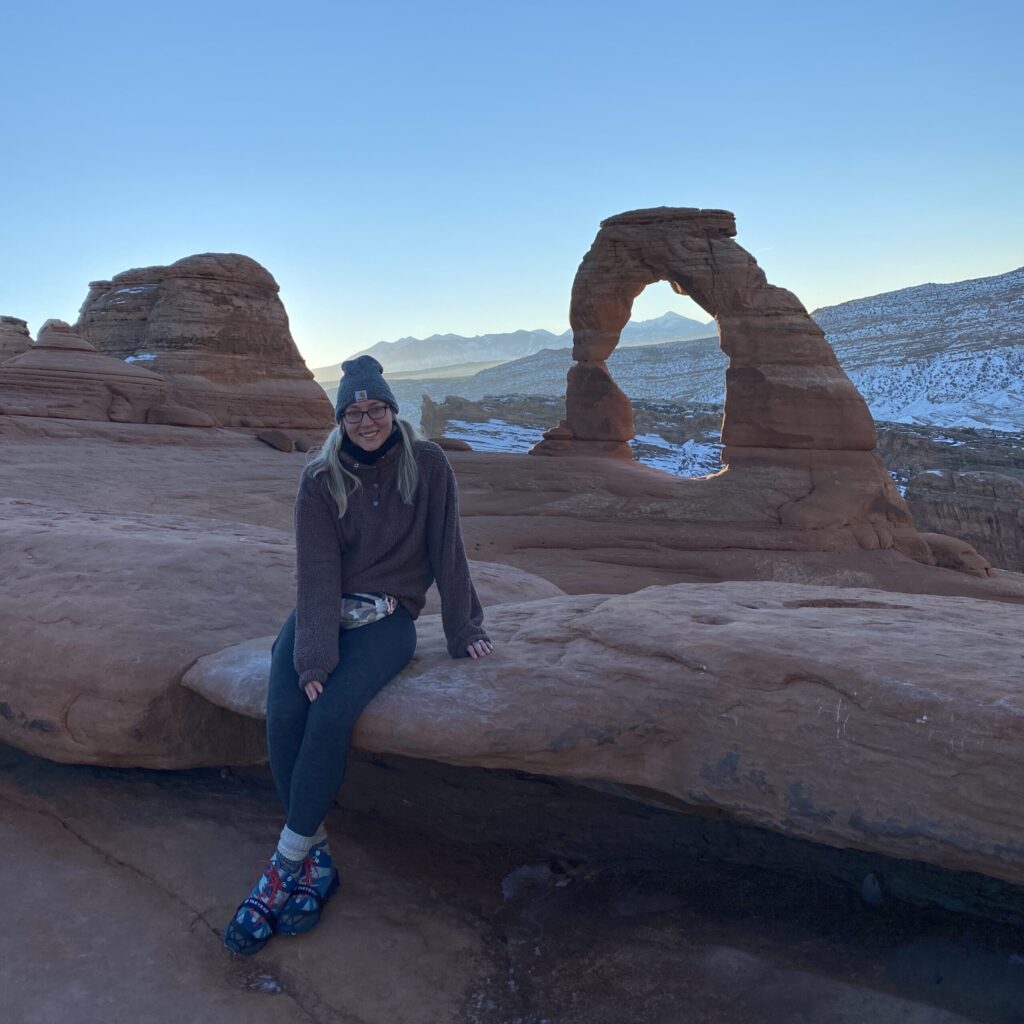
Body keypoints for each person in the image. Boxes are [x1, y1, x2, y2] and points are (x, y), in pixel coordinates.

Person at [224, 355, 493, 955]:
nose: (366, 421)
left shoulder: (427, 465)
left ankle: (284, 869)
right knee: (288, 708)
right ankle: (316, 861)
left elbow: (448, 550)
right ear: (339, 419)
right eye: (353, 412)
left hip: (390, 618)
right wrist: (313, 655)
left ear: (393, 411)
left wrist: (463, 628)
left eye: (375, 409)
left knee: (331, 716)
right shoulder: (321, 478)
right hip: (328, 611)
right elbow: (315, 573)